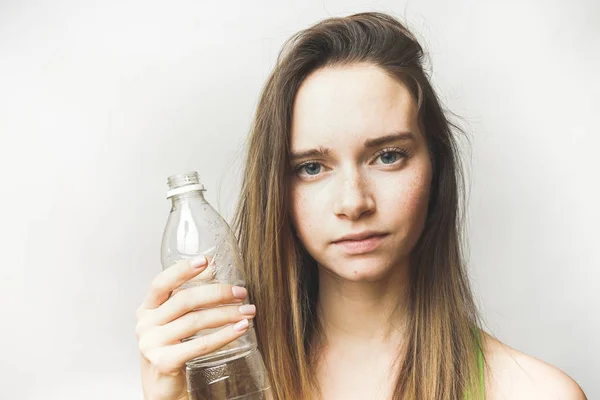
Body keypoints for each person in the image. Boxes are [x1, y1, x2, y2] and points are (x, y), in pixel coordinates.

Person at [135, 12, 587, 400]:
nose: (353, 202)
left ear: (435, 167)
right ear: (277, 189)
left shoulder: (535, 392)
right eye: (312, 167)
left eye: (388, 156)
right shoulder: (228, 383)